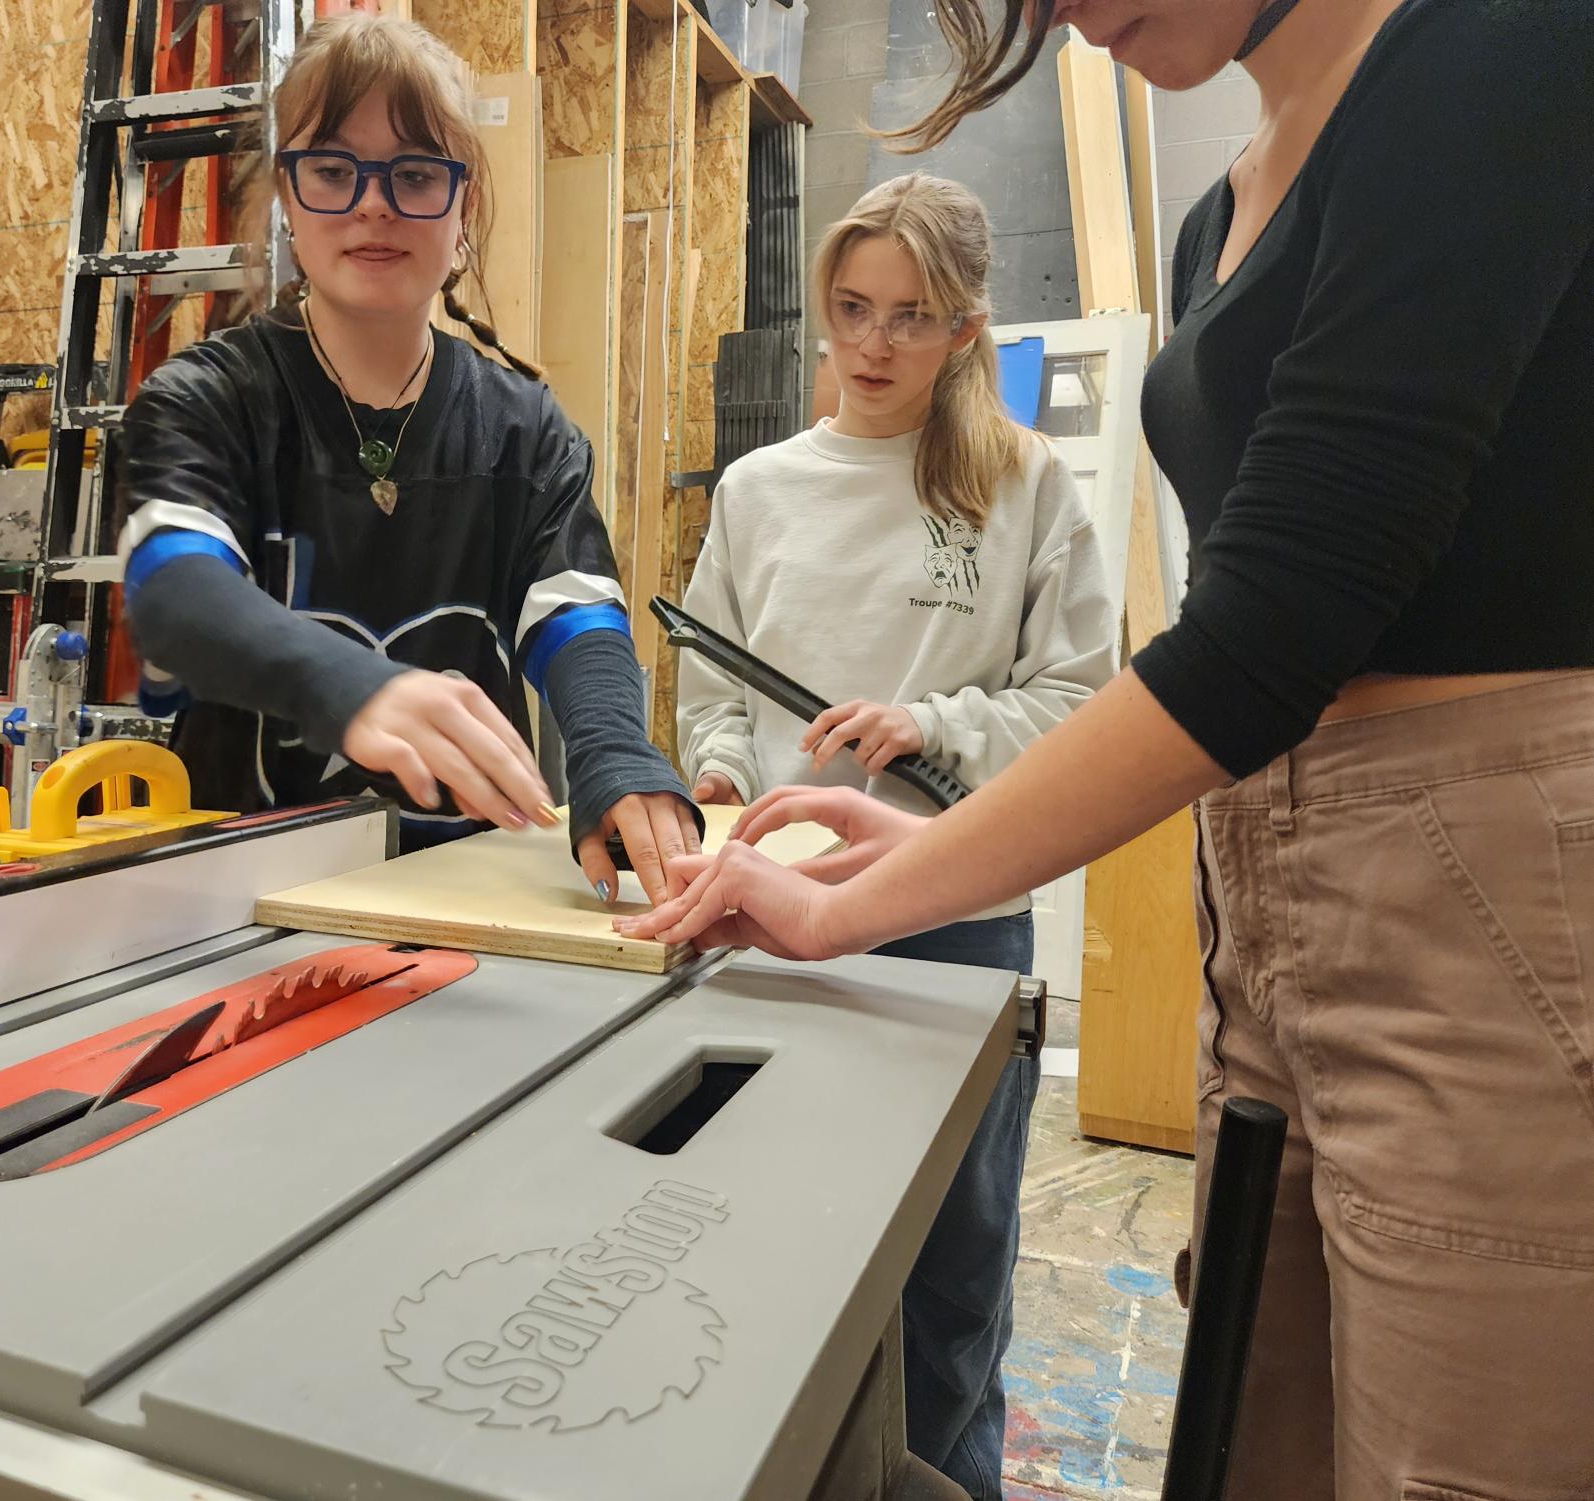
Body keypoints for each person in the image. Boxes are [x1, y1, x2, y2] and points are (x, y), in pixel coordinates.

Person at [621, 1, 1594, 1496]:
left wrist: (875, 889)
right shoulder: (1221, 206)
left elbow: (1265, 634)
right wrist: (903, 842)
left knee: (1460, 1444)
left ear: (959, 332)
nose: (1064, 12)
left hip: (1489, 897)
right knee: (1261, 1425)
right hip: (1264, 907)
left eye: (910, 313)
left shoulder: (1500, 45)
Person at [675, 172, 1114, 1496]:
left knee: (949, 1276)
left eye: (911, 318)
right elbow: (715, 688)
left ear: (969, 328)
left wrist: (935, 725)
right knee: (761, 1250)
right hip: (770, 923)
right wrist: (710, 777)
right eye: (850, 310)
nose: (870, 347)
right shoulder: (759, 489)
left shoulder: (1024, 488)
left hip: (956, 926)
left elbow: (1082, 715)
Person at [116, 13, 699, 897]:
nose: (373, 203)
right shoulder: (204, 399)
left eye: (416, 173)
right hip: (242, 909)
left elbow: (576, 622)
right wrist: (353, 687)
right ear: (286, 197)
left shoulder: (526, 431)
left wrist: (616, 750)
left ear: (462, 205)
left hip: (469, 902)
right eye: (334, 170)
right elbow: (176, 596)